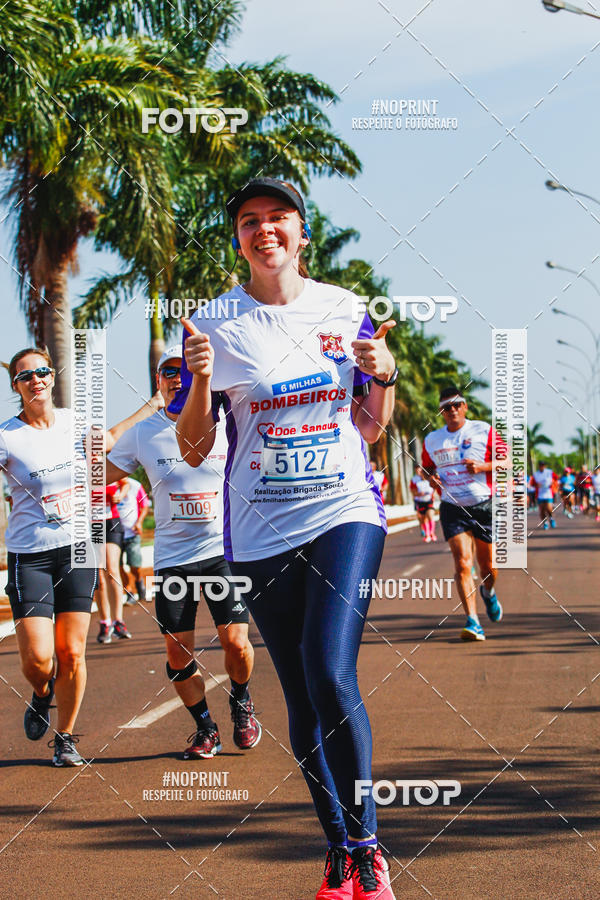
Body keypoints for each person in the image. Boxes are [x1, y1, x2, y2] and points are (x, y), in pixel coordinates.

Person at [174, 177, 398, 899]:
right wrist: (200, 384)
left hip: (344, 510)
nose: (264, 229)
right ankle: (337, 849)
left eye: (279, 218)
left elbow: (372, 424)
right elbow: (193, 442)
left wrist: (384, 375)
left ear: (303, 234)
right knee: (301, 696)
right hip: (260, 528)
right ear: (238, 239)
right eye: (249, 220)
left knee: (330, 669)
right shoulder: (214, 325)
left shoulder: (344, 308)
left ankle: (368, 847)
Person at [106, 346, 261, 759]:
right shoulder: (144, 433)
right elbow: (97, 471)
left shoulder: (227, 421)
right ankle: (205, 728)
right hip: (173, 559)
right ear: (158, 381)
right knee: (177, 653)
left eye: (184, 371)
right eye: (168, 373)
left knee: (238, 644)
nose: (177, 379)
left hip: (222, 550)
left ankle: (241, 701)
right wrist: (144, 411)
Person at [0, 348, 97, 766]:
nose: (36, 379)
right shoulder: (6, 436)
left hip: (78, 548)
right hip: (30, 554)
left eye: (42, 372)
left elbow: (109, 447)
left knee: (72, 652)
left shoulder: (77, 422)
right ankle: (43, 693)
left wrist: (153, 406)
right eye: (26, 376)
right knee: (39, 659)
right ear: (16, 386)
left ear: (52, 376)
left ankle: (67, 736)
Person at [421, 385, 504, 642]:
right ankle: (473, 621)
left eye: (457, 405)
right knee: (462, 563)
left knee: (488, 566)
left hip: (483, 504)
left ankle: (488, 593)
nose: (453, 410)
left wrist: (483, 466)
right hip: (451, 507)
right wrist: (432, 479)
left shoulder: (483, 430)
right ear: (441, 412)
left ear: (465, 406)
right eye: (447, 407)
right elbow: (424, 469)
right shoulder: (433, 439)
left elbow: (508, 461)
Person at [94, 479, 132, 642]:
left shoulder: (107, 467)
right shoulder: (78, 469)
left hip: (111, 522)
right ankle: (105, 622)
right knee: (98, 576)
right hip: (89, 525)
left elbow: (126, 483)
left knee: (112, 569)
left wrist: (121, 495)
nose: (94, 454)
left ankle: (118, 621)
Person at [117, 476, 150, 603]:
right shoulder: (109, 485)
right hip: (114, 534)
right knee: (117, 566)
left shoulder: (135, 485)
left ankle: (138, 582)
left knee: (134, 565)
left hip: (132, 533)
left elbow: (145, 505)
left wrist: (139, 522)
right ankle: (129, 591)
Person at [409, 465, 436, 542]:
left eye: (421, 471)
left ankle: (432, 533)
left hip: (429, 500)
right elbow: (413, 491)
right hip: (420, 501)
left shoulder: (429, 479)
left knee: (430, 515)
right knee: (423, 518)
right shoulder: (415, 480)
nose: (420, 473)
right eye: (418, 471)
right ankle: (426, 534)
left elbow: (434, 487)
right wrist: (419, 494)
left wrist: (432, 494)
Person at [531, 461, 556, 530]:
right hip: (540, 495)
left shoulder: (549, 472)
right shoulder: (536, 474)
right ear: (539, 466)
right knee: (542, 510)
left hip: (548, 493)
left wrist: (553, 482)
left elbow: (556, 479)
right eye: (540, 465)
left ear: (545, 466)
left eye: (543, 465)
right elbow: (532, 483)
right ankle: (545, 523)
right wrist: (536, 485)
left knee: (549, 508)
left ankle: (551, 518)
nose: (542, 466)